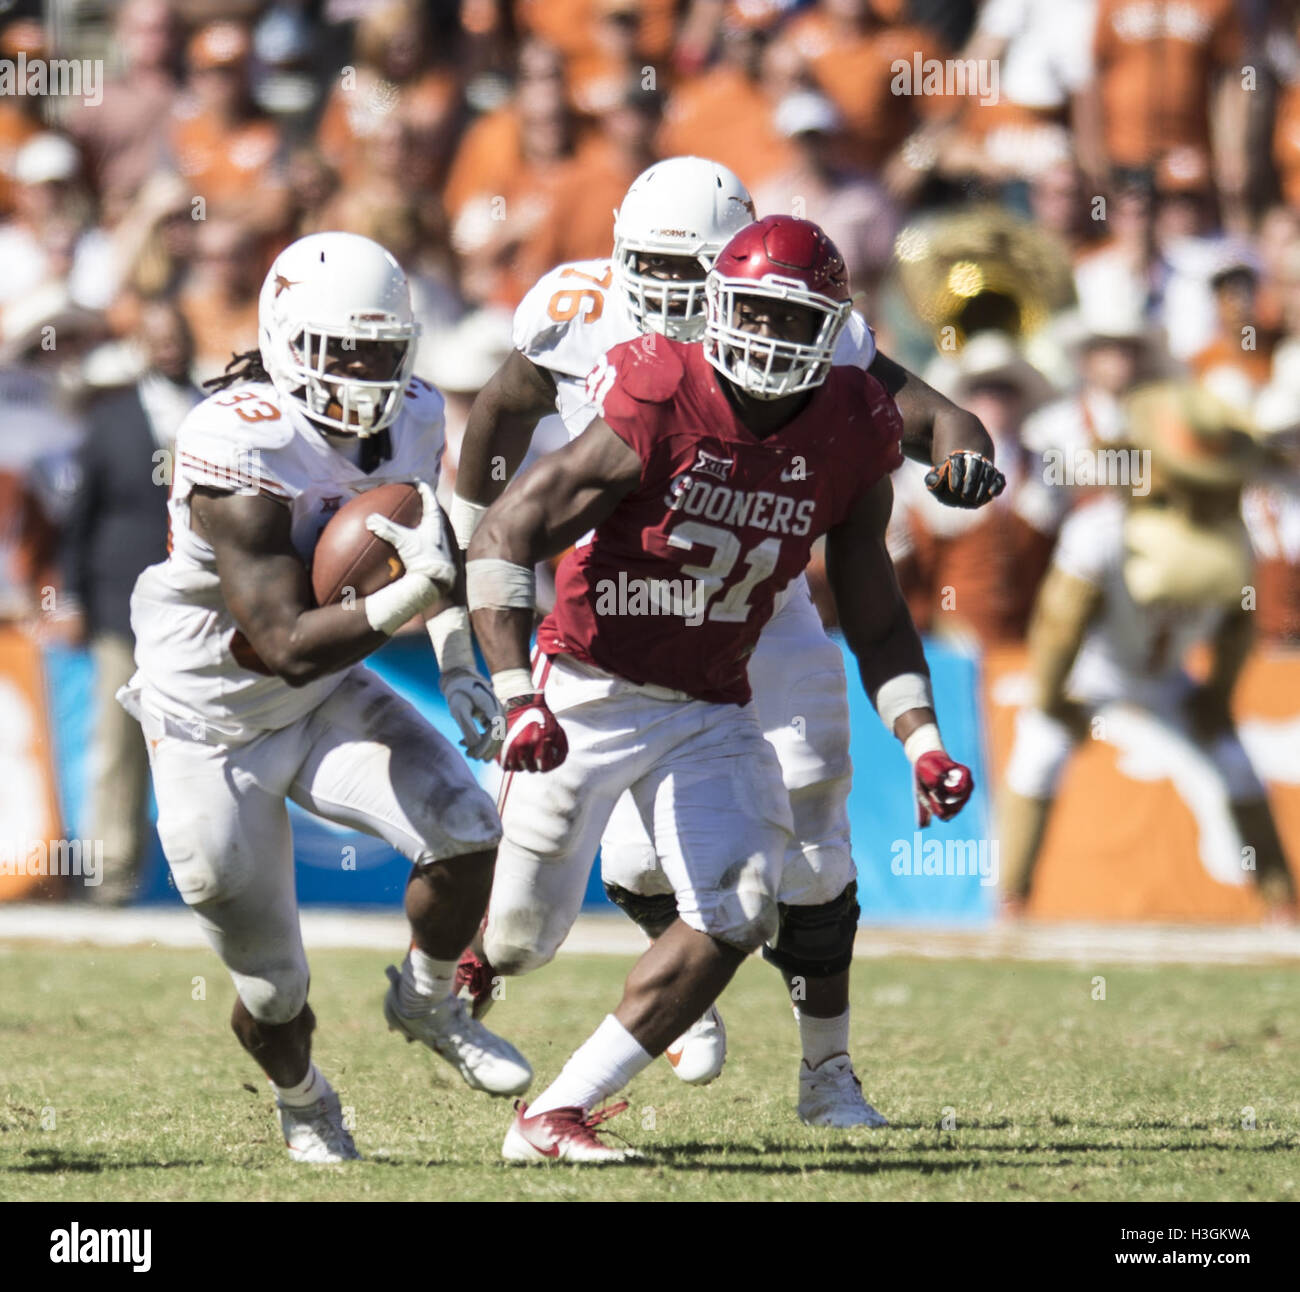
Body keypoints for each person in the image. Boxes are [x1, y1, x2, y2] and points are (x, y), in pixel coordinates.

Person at [453, 159, 1001, 1118]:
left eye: (690, 270)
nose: (668, 291)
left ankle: (824, 1072)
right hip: (611, 611)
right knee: (598, 878)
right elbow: (502, 415)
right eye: (651, 265)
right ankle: (671, 979)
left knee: (816, 827)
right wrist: (471, 540)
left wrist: (964, 457)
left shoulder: (814, 353)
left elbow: (931, 427)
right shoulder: (597, 331)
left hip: (756, 595)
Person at [119, 232, 530, 1164]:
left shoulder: (418, 414)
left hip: (322, 699)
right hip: (209, 724)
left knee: (469, 831)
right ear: (283, 336)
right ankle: (305, 1102)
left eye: (382, 348)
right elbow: (283, 643)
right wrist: (415, 598)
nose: (363, 371)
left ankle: (427, 1002)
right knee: (271, 990)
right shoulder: (238, 436)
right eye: (340, 347)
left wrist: (459, 664)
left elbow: (423, 546)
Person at [998, 383, 1297, 918]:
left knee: (1235, 764)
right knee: (1037, 754)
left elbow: (1236, 628)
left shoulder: (1237, 539)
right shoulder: (1101, 532)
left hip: (1169, 680)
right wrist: (1050, 695)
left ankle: (1282, 903)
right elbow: (1059, 625)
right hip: (1092, 672)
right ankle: (1012, 900)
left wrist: (1218, 697)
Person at [61, 300, 203, 905]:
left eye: (177, 336)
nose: (168, 348)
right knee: (118, 745)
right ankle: (109, 878)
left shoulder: (212, 412)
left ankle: (202, 879)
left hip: (198, 609)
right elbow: (80, 516)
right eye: (158, 337)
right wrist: (70, 595)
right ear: (142, 346)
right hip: (123, 602)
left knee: (196, 746)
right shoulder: (112, 419)